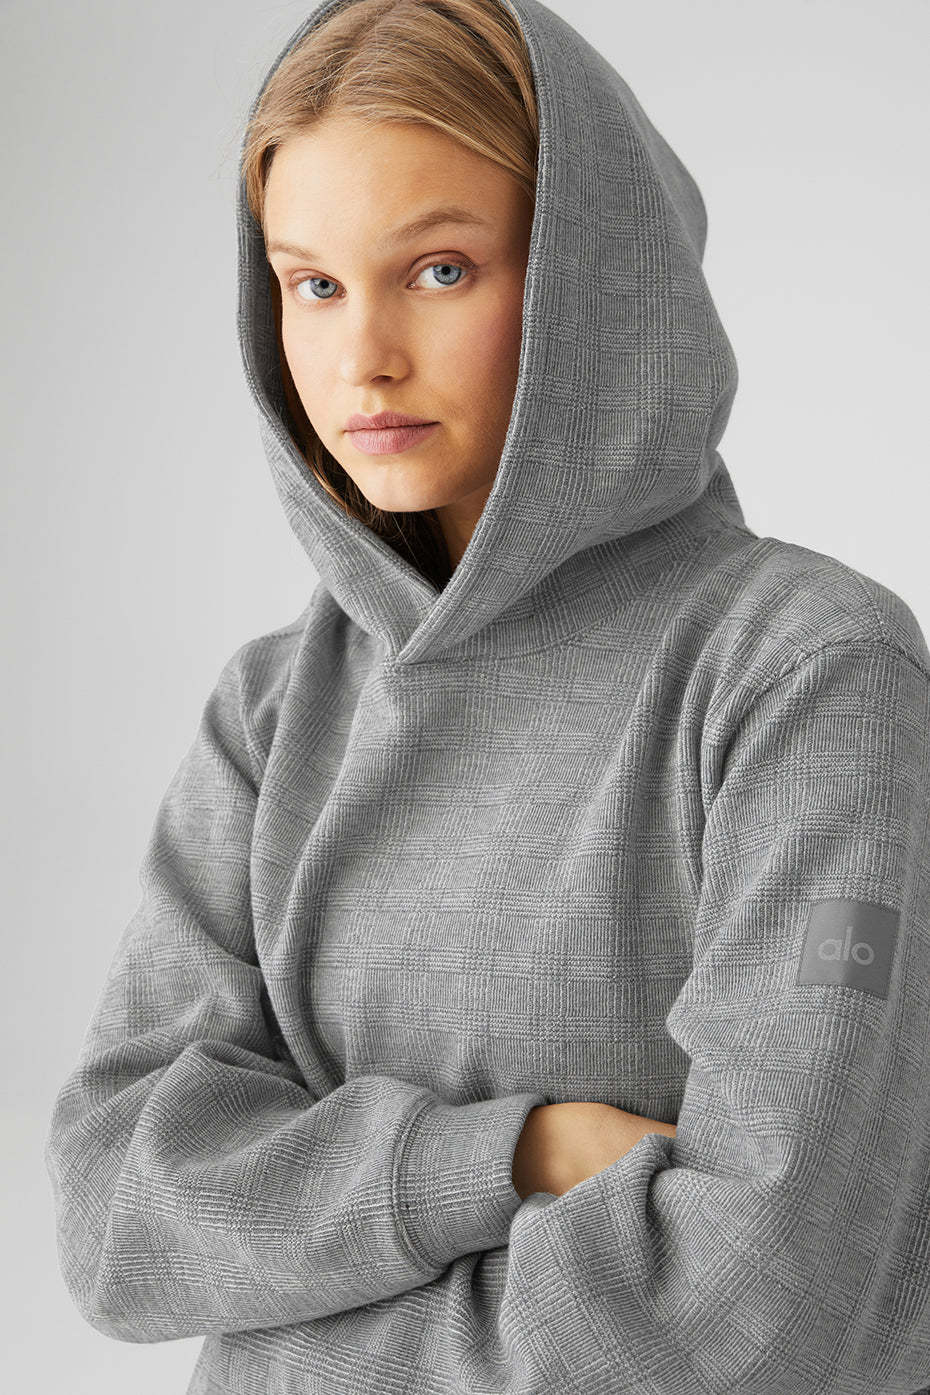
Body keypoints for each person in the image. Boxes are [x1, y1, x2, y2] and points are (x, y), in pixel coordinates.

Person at [45, 0, 930, 1391]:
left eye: (440, 269)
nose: (363, 357)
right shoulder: (271, 715)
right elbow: (117, 1223)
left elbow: (753, 1307)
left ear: (594, 275)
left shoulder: (810, 677)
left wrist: (282, 1331)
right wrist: (509, 1157)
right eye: (312, 285)